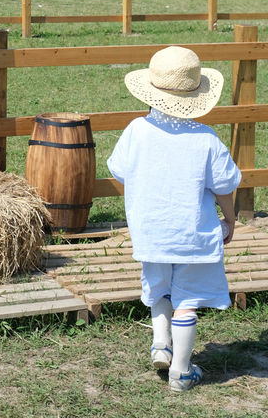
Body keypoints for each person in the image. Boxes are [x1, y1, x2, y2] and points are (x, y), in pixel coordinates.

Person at [107, 46, 241, 393]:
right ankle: (180, 372)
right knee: (187, 299)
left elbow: (119, 170)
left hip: (150, 232)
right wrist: (230, 219)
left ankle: (161, 345)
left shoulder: (137, 130)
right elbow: (225, 185)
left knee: (158, 288)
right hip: (193, 235)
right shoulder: (206, 140)